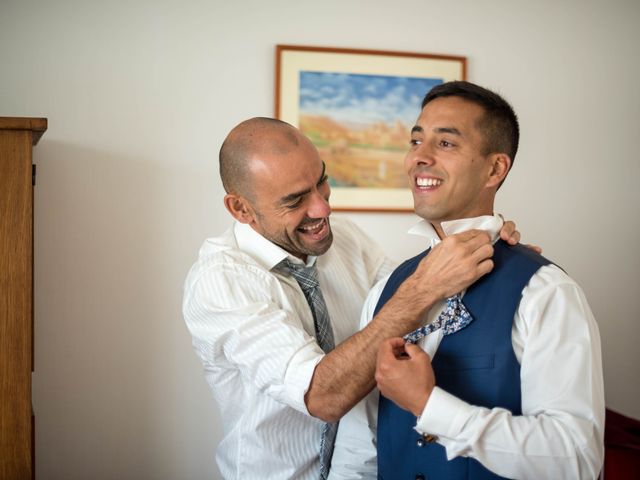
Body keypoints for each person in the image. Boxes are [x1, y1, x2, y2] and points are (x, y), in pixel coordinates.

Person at [182, 116, 522, 479]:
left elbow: (416, 301)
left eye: (322, 181)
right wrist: (422, 289)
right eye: (296, 200)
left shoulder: (343, 237)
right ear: (241, 209)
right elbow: (322, 396)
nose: (322, 209)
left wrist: (488, 254)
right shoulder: (220, 282)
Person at [334, 81, 605, 479]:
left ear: (495, 168)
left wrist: (430, 406)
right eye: (415, 141)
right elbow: (359, 447)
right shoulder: (388, 289)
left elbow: (577, 461)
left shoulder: (545, 292)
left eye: (445, 144)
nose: (418, 158)